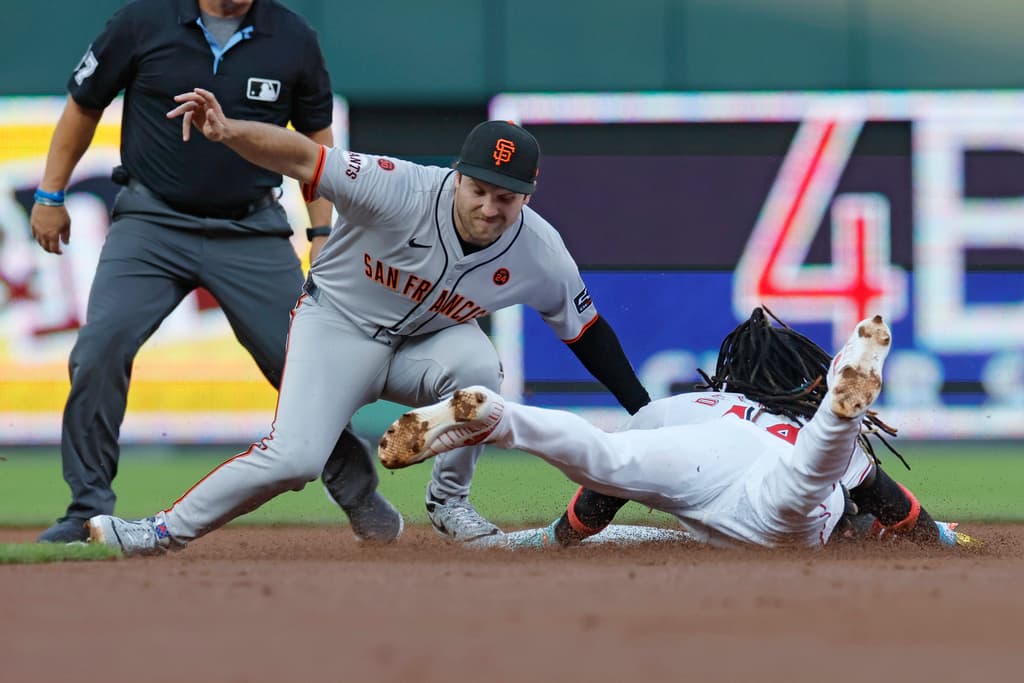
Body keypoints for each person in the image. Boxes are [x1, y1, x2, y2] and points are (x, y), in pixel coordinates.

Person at [80, 88, 652, 554]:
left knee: (480, 370)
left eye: (506, 198)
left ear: (526, 197)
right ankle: (157, 532)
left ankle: (449, 502)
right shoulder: (397, 186)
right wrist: (229, 132)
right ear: (457, 176)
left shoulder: (540, 250)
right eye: (478, 189)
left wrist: (645, 412)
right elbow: (302, 156)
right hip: (337, 326)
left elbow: (587, 332)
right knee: (296, 458)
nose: (488, 208)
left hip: (425, 344)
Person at [33, 0, 401, 544]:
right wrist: (49, 192)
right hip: (152, 223)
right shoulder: (143, 21)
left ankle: (358, 493)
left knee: (299, 365)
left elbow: (318, 148)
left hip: (250, 228)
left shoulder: (292, 36)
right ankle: (85, 509)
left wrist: (322, 234)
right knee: (100, 348)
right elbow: (84, 104)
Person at [377, 309, 976, 550]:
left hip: (691, 454)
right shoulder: (785, 420)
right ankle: (840, 410)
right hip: (771, 500)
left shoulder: (694, 403)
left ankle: (501, 419)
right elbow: (887, 502)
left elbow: (606, 487)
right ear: (803, 382)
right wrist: (942, 540)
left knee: (605, 455)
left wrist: (558, 538)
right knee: (808, 476)